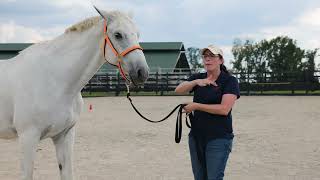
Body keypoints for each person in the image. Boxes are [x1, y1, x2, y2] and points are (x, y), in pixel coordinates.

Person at [175, 45, 240, 180]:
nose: (207, 59)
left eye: (212, 56)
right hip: (196, 137)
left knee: (214, 177)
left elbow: (224, 109)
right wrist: (196, 82)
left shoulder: (229, 81)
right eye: (205, 57)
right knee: (199, 177)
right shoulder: (199, 77)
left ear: (221, 60)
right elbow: (178, 90)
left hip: (219, 138)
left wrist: (196, 106)